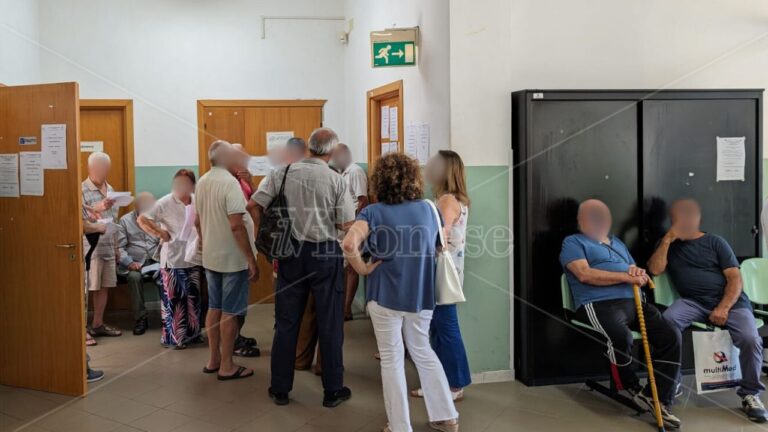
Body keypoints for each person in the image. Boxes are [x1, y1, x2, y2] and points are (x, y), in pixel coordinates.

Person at [343, 152, 459, 432]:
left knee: (392, 360)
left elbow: (349, 245)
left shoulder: (372, 212)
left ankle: (400, 426)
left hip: (384, 296)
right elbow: (440, 246)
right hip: (420, 295)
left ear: (380, 181)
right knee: (423, 351)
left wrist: (362, 269)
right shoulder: (429, 209)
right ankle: (446, 416)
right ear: (413, 179)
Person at [252, 127, 354, 407]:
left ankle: (280, 388)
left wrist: (264, 237)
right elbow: (345, 223)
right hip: (325, 254)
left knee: (286, 322)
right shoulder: (336, 180)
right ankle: (333, 390)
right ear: (332, 152)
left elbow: (254, 205)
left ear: (309, 147)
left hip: (290, 254)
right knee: (330, 323)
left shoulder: (282, 173)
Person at [560, 199, 681, 429]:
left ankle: (660, 398)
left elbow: (636, 270)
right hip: (598, 304)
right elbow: (584, 275)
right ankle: (631, 385)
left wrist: (639, 273)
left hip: (635, 302)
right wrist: (627, 277)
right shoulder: (573, 242)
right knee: (621, 337)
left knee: (671, 334)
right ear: (581, 220)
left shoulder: (617, 243)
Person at [648, 198, 767, 423]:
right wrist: (667, 240)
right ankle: (670, 383)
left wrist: (723, 307)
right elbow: (655, 269)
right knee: (666, 324)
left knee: (750, 338)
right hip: (693, 302)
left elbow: (735, 278)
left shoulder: (715, 242)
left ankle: (751, 394)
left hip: (731, 303)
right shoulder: (667, 244)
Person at [409, 150, 471, 402]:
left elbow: (439, 236)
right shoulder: (456, 199)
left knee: (445, 328)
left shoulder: (447, 201)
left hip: (440, 273)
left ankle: (454, 385)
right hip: (449, 271)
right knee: (438, 327)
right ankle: (444, 382)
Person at [195, 140, 258, 380]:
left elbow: (197, 222)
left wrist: (207, 242)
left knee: (214, 307)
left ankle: (214, 360)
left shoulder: (203, 181)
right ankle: (228, 366)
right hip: (232, 259)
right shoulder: (229, 184)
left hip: (211, 257)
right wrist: (250, 259)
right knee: (230, 312)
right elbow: (237, 227)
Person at [138, 170, 204, 350]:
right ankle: (174, 338)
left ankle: (193, 334)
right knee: (174, 300)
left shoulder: (196, 200)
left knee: (192, 298)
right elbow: (142, 219)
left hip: (193, 257)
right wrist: (160, 233)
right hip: (173, 258)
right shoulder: (166, 202)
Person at [82, 151, 122, 339]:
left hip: (108, 245)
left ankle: (97, 323)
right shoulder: (81, 189)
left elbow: (114, 220)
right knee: (88, 287)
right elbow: (80, 221)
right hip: (91, 247)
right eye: (98, 167)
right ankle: (82, 330)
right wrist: (96, 211)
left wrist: (116, 249)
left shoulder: (111, 189)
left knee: (104, 286)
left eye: (105, 168)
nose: (102, 171)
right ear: (90, 168)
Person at [227, 144, 261, 358]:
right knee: (234, 299)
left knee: (241, 296)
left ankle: (237, 335)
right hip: (235, 248)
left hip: (249, 242)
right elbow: (235, 223)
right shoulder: (226, 184)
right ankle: (234, 342)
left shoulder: (242, 181)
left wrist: (251, 182)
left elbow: (258, 202)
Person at [331, 143, 369, 320]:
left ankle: (346, 309)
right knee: (343, 267)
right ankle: (341, 306)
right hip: (342, 226)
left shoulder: (354, 172)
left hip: (353, 226)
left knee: (352, 267)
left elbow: (363, 200)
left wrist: (353, 225)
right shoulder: (339, 172)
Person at [117, 191, 160, 335]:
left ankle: (169, 315)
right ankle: (141, 318)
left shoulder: (158, 218)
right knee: (134, 278)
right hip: (134, 263)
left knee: (166, 276)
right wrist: (129, 262)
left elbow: (165, 242)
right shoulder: (125, 221)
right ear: (136, 207)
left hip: (155, 260)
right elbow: (119, 247)